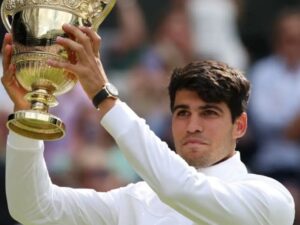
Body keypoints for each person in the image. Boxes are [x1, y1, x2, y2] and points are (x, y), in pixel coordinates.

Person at [1, 24, 295, 225]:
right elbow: (33, 208)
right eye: (182, 112)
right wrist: (28, 118)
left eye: (209, 113)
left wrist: (104, 95)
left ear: (240, 126)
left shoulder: (270, 198)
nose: (192, 125)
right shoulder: (137, 198)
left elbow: (181, 188)